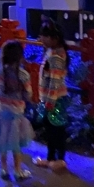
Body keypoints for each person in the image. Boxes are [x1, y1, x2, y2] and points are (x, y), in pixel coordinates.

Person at [0, 40, 34, 181]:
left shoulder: (0, 72)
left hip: (3, 111)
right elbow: (28, 93)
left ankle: (3, 168)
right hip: (17, 113)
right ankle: (18, 171)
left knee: (3, 141)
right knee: (16, 144)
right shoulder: (23, 74)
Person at [35, 20, 70, 172]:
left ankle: (60, 159)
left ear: (54, 38)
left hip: (55, 100)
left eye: (44, 36)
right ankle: (50, 158)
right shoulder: (52, 51)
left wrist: (49, 102)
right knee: (51, 130)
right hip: (51, 99)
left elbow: (54, 81)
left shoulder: (56, 56)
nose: (41, 39)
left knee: (57, 131)